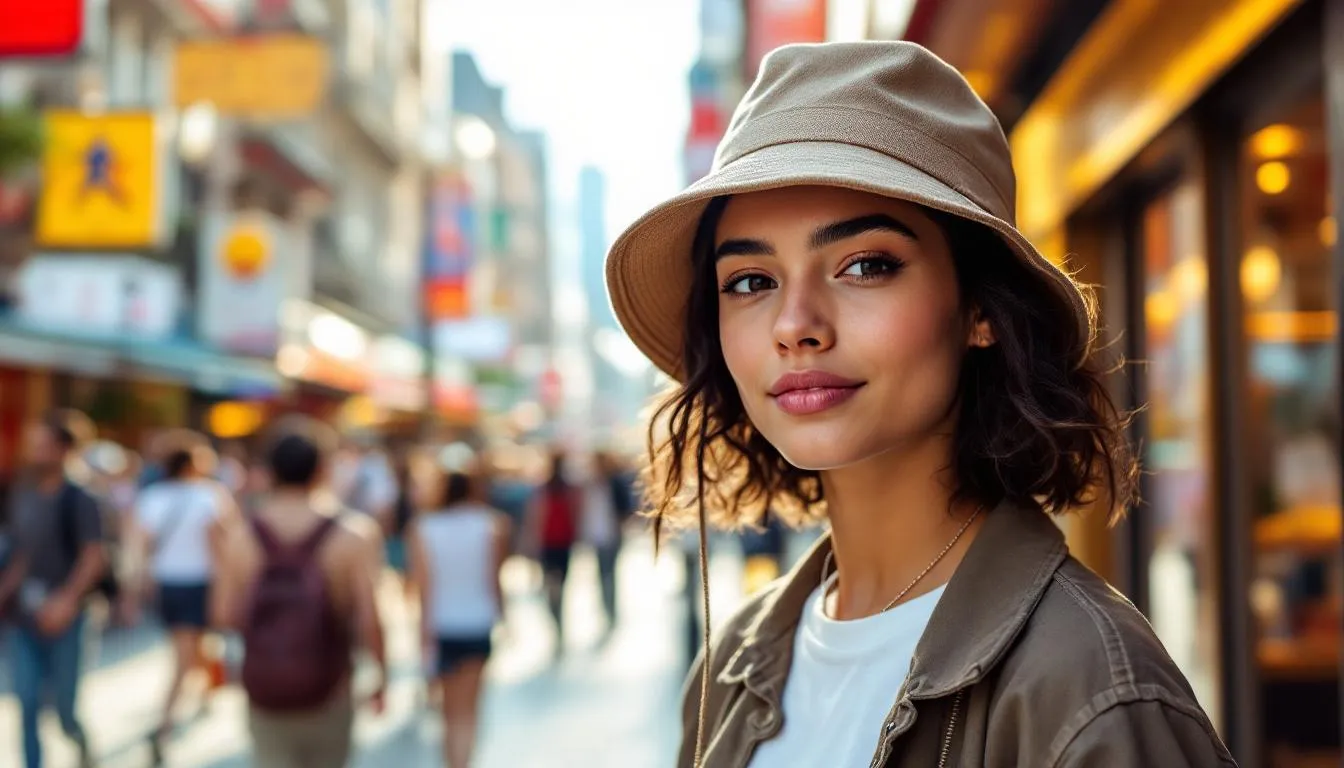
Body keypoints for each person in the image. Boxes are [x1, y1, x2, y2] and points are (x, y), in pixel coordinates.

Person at [604, 42, 1235, 767]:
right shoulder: (730, 671)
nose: (794, 324)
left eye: (865, 265)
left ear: (980, 309)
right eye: (750, 280)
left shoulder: (1088, 693)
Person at [210, 416, 387, 768]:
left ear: (269, 470)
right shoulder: (354, 534)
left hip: (265, 686)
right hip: (331, 683)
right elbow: (370, 619)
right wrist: (383, 675)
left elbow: (223, 614)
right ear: (322, 469)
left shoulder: (242, 537)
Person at [0, 410, 106, 768]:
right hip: (24, 616)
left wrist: (66, 601)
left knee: (64, 708)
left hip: (67, 618)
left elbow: (93, 557)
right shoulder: (24, 495)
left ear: (64, 449)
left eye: (43, 446)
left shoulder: (81, 498)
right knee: (26, 703)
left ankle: (81, 742)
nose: (35, 453)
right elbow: (21, 555)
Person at [126, 432, 235, 765]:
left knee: (190, 646)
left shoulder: (151, 498)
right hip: (198, 584)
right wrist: (227, 591)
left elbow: (139, 550)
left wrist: (134, 590)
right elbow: (226, 547)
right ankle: (164, 723)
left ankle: (206, 691)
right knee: (185, 654)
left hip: (167, 585)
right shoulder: (210, 496)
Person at [408, 452, 510, 768]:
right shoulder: (490, 525)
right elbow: (494, 578)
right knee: (470, 710)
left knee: (449, 712)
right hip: (478, 623)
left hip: (443, 626)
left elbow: (424, 590)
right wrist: (505, 617)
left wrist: (422, 636)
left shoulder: (424, 528)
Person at [523, 449, 581, 659]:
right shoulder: (556, 489)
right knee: (556, 589)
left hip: (555, 544)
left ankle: (557, 625)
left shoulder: (557, 490)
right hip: (557, 544)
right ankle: (558, 625)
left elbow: (536, 518)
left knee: (553, 589)